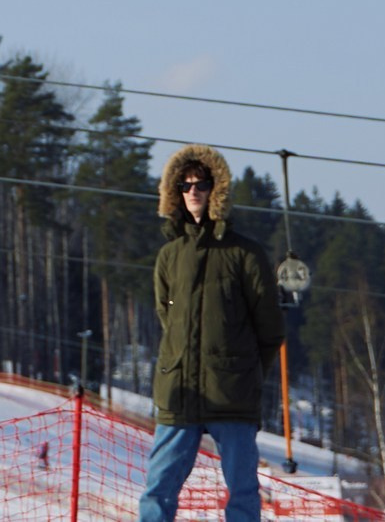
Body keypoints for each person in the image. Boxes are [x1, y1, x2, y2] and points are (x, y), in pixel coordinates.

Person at [140, 146, 284, 522]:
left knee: (243, 493)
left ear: (215, 189)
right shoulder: (169, 256)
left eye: (201, 183)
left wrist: (246, 374)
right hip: (179, 394)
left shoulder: (246, 255)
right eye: (185, 185)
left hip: (232, 396)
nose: (193, 192)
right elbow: (166, 319)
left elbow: (269, 329)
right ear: (174, 192)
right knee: (158, 489)